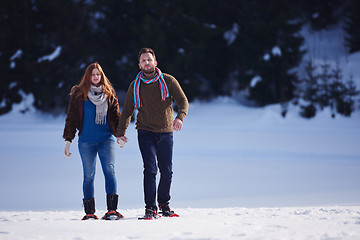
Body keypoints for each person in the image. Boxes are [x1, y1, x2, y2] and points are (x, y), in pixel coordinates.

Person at [116, 48, 189, 220]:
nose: (146, 63)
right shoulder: (135, 85)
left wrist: (180, 117)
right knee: (150, 169)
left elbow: (183, 101)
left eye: (149, 59)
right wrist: (121, 133)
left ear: (155, 62)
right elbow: (127, 111)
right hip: (145, 131)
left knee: (167, 170)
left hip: (165, 132)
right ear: (139, 64)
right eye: (143, 60)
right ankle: (150, 207)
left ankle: (164, 203)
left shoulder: (168, 80)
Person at [63, 62, 124, 220]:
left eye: (98, 74)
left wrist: (120, 135)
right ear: (88, 76)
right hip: (86, 141)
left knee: (110, 171)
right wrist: (68, 140)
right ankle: (90, 213)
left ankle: (112, 211)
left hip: (106, 140)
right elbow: (71, 118)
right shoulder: (79, 95)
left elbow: (116, 117)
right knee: (89, 175)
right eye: (93, 74)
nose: (96, 77)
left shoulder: (109, 93)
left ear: (101, 76)